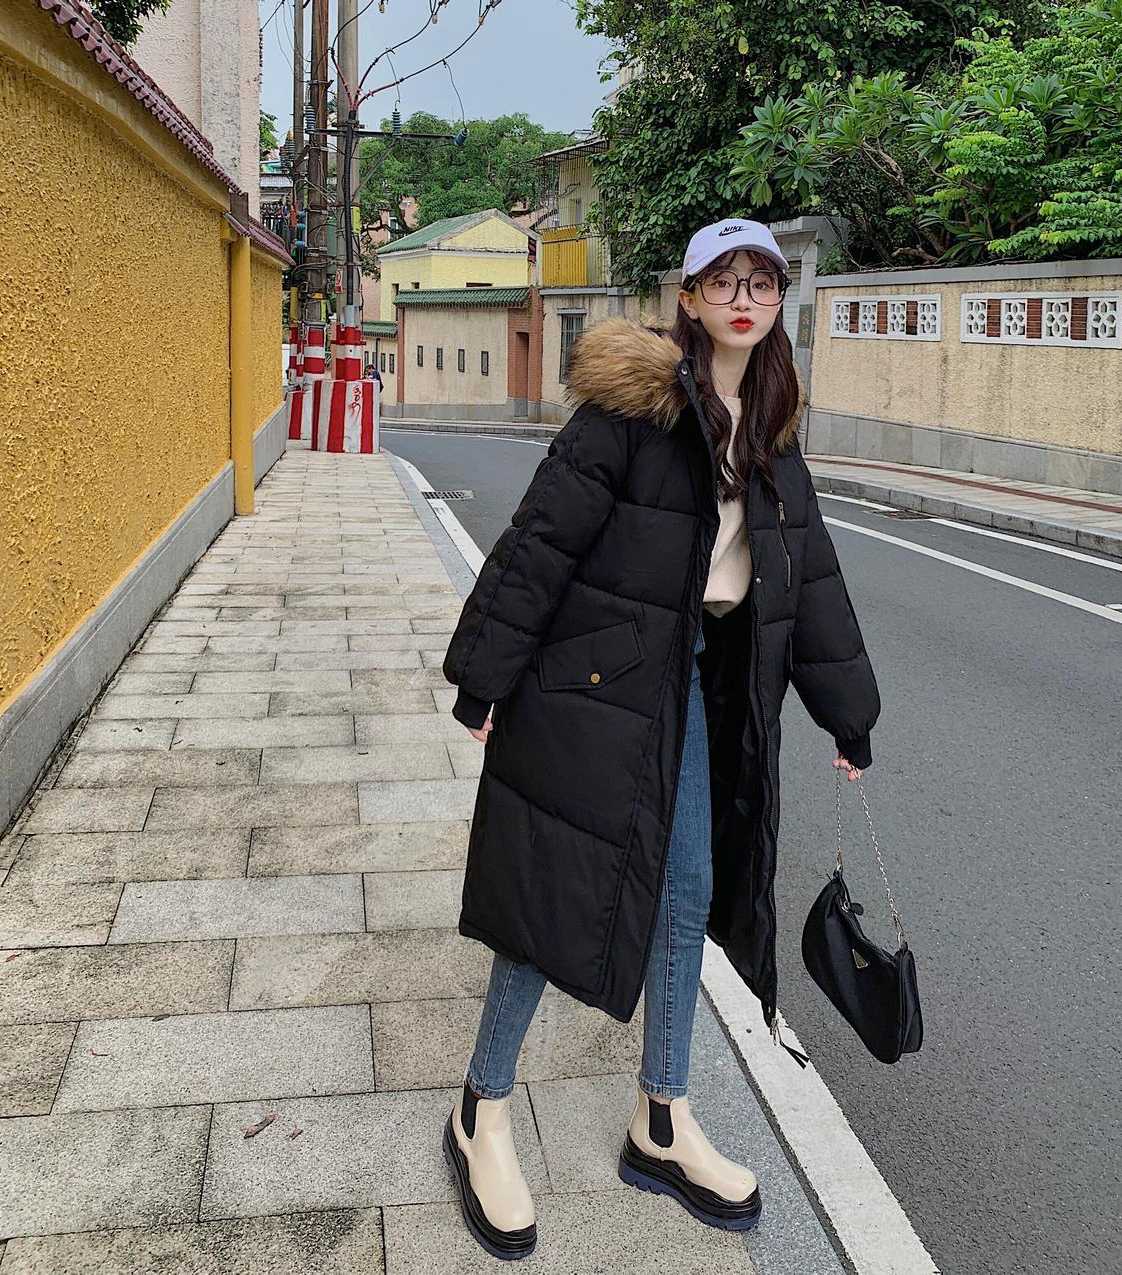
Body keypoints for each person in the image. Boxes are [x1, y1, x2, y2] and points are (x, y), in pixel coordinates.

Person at [440, 217, 881, 1260]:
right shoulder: (630, 413)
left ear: (779, 301)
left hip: (691, 686)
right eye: (721, 281)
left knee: (685, 894)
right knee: (552, 894)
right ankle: (480, 1109)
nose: (743, 299)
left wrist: (847, 710)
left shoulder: (772, 426)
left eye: (761, 282)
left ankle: (662, 1118)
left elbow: (808, 577)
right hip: (589, 685)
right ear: (687, 299)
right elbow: (540, 543)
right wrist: (484, 677)